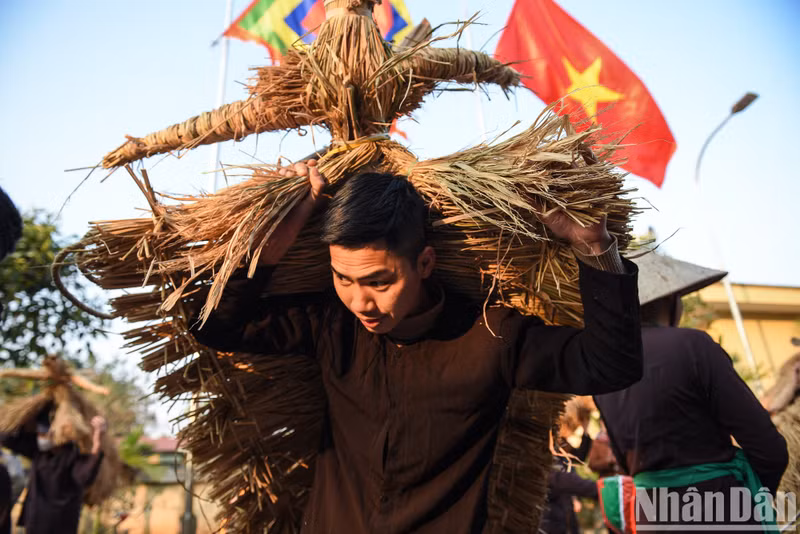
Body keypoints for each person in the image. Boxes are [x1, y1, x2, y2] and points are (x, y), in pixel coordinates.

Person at [191, 161, 643, 533]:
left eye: (380, 281)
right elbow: (215, 326)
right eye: (342, 279)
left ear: (425, 263)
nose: (360, 301)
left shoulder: (491, 336)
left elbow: (611, 366)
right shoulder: (332, 325)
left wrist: (595, 249)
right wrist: (271, 244)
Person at [594, 253, 788, 532]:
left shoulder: (604, 366)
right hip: (719, 509)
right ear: (673, 301)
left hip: (653, 517)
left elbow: (625, 462)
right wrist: (752, 495)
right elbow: (769, 449)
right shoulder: (693, 345)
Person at [1, 407, 108, 534]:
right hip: (34, 520)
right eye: (39, 433)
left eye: (44, 434)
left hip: (61, 523)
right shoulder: (38, 452)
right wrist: (26, 417)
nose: (42, 438)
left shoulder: (72, 456)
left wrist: (97, 440)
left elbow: (85, 477)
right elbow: (6, 438)